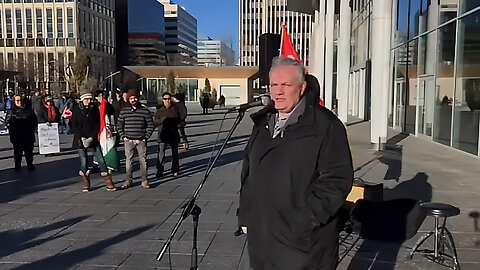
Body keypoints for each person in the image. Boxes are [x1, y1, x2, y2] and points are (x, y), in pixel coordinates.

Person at [237, 56, 353, 270]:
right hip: (262, 240)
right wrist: (246, 215)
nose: (278, 91)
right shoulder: (262, 123)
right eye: (273, 85)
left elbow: (336, 180)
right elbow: (248, 173)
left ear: (301, 88)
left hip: (304, 244)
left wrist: (305, 221)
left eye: (285, 85)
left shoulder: (325, 125)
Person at [71, 92, 116, 192]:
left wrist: (92, 137)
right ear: (82, 100)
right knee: (84, 160)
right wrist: (81, 137)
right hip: (80, 139)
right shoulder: (76, 109)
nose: (88, 101)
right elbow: (74, 125)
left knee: (100, 159)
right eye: (86, 99)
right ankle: (86, 182)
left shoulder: (94, 108)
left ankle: (108, 180)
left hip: (93, 138)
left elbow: (97, 124)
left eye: (90, 99)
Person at [117, 89, 154, 189]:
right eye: (131, 98)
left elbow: (150, 125)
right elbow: (119, 125)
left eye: (135, 98)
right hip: (128, 140)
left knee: (143, 160)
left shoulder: (144, 111)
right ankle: (128, 180)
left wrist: (146, 137)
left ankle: (144, 180)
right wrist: (123, 136)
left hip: (141, 140)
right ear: (128, 99)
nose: (133, 100)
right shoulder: (124, 111)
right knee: (129, 161)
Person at [5, 94, 38, 171]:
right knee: (17, 153)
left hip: (28, 135)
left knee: (29, 152)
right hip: (17, 136)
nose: (19, 102)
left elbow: (34, 121)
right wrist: (12, 130)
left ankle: (30, 164)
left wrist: (31, 129)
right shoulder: (11, 112)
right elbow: (7, 122)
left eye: (20, 100)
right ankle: (17, 165)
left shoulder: (29, 111)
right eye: (17, 101)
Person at [154, 92, 180, 178]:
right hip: (163, 134)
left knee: (175, 153)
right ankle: (160, 170)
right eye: (165, 99)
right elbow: (155, 122)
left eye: (169, 98)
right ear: (162, 100)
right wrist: (163, 120)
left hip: (173, 133)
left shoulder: (175, 109)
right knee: (161, 152)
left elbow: (180, 119)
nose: (167, 100)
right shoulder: (159, 110)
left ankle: (175, 169)